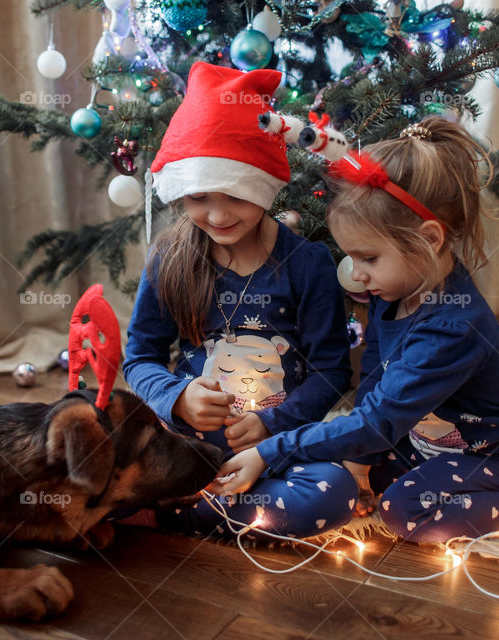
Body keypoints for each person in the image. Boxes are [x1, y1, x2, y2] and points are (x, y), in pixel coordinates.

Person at [212, 117, 499, 543]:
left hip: (496, 454)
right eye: (351, 257)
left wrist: (270, 450)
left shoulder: (454, 327)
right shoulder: (393, 290)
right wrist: (361, 463)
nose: (355, 274)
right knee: (355, 465)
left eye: (368, 258)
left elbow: (376, 421)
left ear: (428, 239)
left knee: (404, 510)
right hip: (424, 442)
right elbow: (376, 379)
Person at [121, 61, 357, 538]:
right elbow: (140, 357)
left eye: (234, 193)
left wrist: (273, 425)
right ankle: (191, 501)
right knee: (93, 460)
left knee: (333, 491)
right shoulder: (169, 258)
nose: (217, 213)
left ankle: (173, 511)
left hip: (277, 446)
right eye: (198, 196)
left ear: (262, 183)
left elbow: (332, 372)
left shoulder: (307, 265)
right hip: (182, 445)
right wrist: (177, 398)